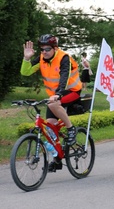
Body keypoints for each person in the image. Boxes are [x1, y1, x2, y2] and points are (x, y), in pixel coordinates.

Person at [21, 34, 81, 171]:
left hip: (71, 91)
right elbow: (26, 72)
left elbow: (64, 77)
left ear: (55, 48)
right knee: (50, 130)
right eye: (41, 49)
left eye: (47, 49)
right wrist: (26, 58)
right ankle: (57, 159)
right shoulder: (41, 58)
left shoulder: (63, 57)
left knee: (52, 104)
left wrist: (59, 94)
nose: (44, 52)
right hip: (54, 97)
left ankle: (71, 129)